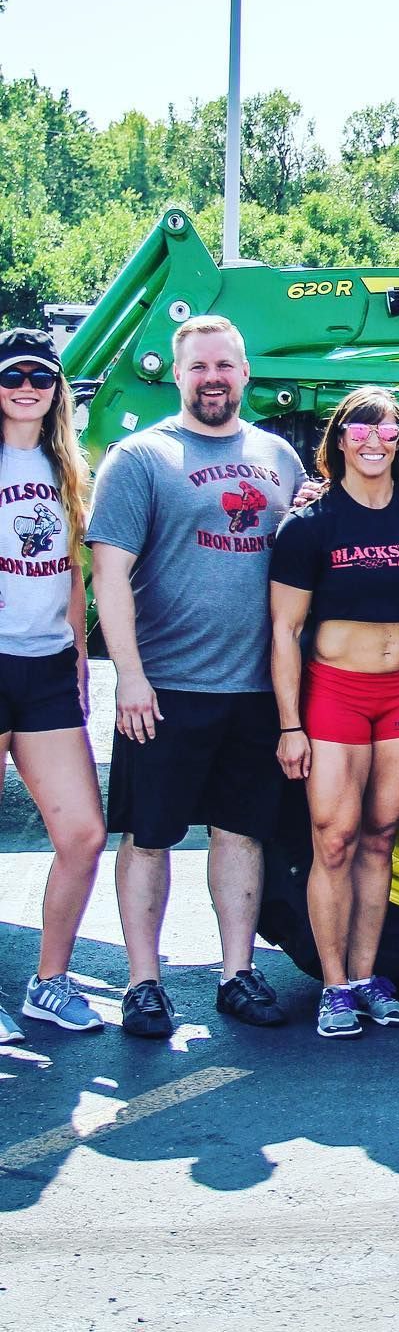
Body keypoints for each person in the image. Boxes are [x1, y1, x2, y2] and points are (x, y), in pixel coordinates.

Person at [89, 314, 305, 1038]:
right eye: (199, 367)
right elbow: (109, 575)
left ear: (245, 373)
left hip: (255, 688)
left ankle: (236, 973)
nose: (213, 378)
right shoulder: (140, 457)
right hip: (166, 689)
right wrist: (130, 676)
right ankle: (143, 982)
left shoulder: (279, 457)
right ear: (177, 374)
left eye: (224, 366)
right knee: (149, 836)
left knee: (240, 834)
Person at [270, 388, 399, 1037]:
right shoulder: (309, 526)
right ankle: (335, 985)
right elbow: (285, 630)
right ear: (339, 440)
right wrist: (290, 725)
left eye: (387, 430)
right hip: (336, 694)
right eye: (360, 429)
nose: (374, 441)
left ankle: (368, 977)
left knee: (380, 838)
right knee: (335, 839)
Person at [0, 329, 106, 1039]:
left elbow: (72, 571)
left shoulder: (67, 467)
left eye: (40, 377)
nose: (26, 388)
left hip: (46, 667)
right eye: (13, 376)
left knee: (84, 833)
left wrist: (78, 655)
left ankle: (50, 981)